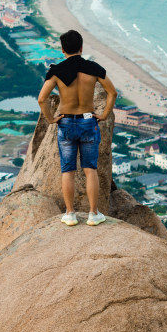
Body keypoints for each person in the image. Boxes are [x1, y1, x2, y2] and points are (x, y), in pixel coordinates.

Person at [37, 29, 117, 226]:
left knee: (68, 171)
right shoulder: (94, 68)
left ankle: (70, 214)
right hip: (88, 121)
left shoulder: (56, 71)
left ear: (63, 49)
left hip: (65, 123)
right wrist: (105, 114)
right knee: (90, 169)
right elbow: (112, 93)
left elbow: (42, 99)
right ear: (81, 48)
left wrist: (51, 119)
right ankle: (93, 214)